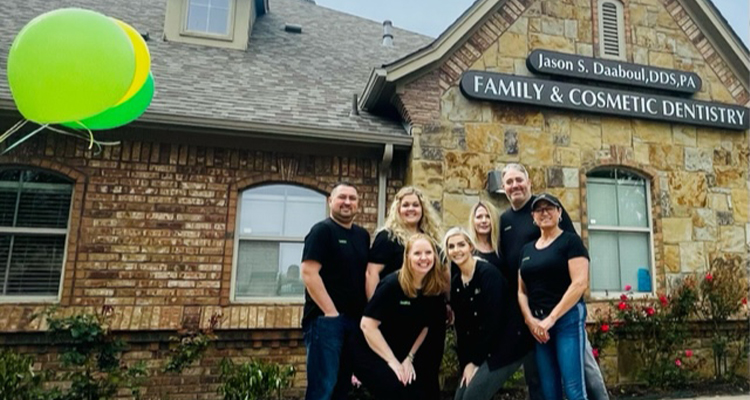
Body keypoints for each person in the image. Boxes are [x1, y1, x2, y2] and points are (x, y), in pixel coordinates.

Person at [499, 163, 609, 400]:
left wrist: (551, 318)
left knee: (581, 379)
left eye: (519, 180)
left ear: (529, 183)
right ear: (503, 187)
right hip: (536, 318)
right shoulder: (506, 222)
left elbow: (579, 279)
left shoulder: (567, 238)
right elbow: (517, 282)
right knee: (545, 385)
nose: (514, 185)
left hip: (566, 315)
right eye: (509, 182)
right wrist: (530, 320)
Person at [365, 186, 445, 399]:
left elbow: (441, 274)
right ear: (397, 209)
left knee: (427, 373)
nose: (411, 209)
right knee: (399, 381)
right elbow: (372, 273)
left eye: (415, 205)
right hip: (397, 318)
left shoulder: (431, 237)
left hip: (427, 315)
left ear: (423, 209)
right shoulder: (387, 236)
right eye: (406, 205)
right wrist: (375, 310)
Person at [353, 234, 449, 400]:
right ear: (407, 257)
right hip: (372, 349)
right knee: (397, 390)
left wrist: (409, 358)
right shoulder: (392, 284)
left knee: (421, 392)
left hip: (402, 350)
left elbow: (426, 326)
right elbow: (367, 325)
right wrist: (393, 362)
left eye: (428, 253)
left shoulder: (433, 288)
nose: (423, 258)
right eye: (417, 253)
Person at [300, 182, 370, 400]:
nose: (347, 202)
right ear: (330, 201)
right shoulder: (322, 231)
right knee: (323, 388)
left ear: (358, 204)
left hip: (353, 322)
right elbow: (309, 273)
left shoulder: (362, 236)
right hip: (325, 322)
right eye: (342, 197)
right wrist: (331, 314)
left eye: (352, 198)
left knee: (342, 388)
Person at [518, 193, 590, 400]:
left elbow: (579, 284)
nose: (544, 212)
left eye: (549, 207)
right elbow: (521, 291)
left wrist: (551, 319)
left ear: (559, 213)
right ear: (533, 217)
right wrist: (530, 321)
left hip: (566, 320)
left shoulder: (570, 242)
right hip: (539, 326)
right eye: (539, 209)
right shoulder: (526, 250)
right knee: (549, 390)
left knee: (574, 388)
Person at [444, 227, 522, 400]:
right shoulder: (457, 283)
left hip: (506, 347)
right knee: (460, 397)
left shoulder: (488, 274)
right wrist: (467, 364)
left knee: (472, 396)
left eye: (461, 245)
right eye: (451, 246)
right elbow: (463, 329)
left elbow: (493, 324)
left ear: (470, 247)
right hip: (482, 351)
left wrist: (476, 362)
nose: (456, 250)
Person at [467, 201, 502, 269]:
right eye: (479, 217)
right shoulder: (468, 249)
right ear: (473, 221)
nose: (484, 221)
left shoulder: (501, 248)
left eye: (488, 216)